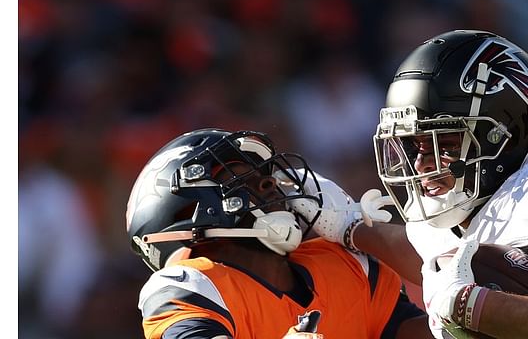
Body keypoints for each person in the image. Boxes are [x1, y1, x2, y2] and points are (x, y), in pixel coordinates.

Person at [290, 30, 528, 338]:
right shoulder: (463, 207)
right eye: (414, 145)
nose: (420, 163)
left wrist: (473, 305)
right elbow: (432, 255)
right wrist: (347, 223)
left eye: (444, 144)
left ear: (502, 137)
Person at [125, 128, 433, 339]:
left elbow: (447, 314)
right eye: (240, 179)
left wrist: (352, 227)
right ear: (186, 211)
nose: (269, 185)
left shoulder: (342, 266)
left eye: (264, 176)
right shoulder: (193, 287)